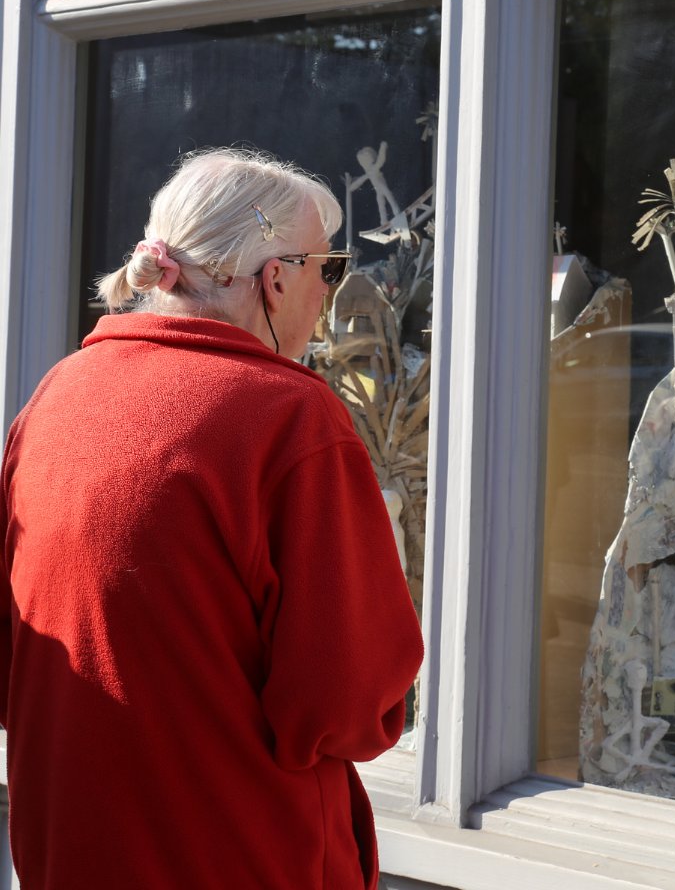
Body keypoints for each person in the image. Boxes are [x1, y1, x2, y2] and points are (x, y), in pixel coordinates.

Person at [0, 148, 424, 889]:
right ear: (276, 278)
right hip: (238, 853)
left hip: (68, 849)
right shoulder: (288, 417)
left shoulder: (58, 394)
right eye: (328, 266)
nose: (329, 291)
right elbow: (347, 701)